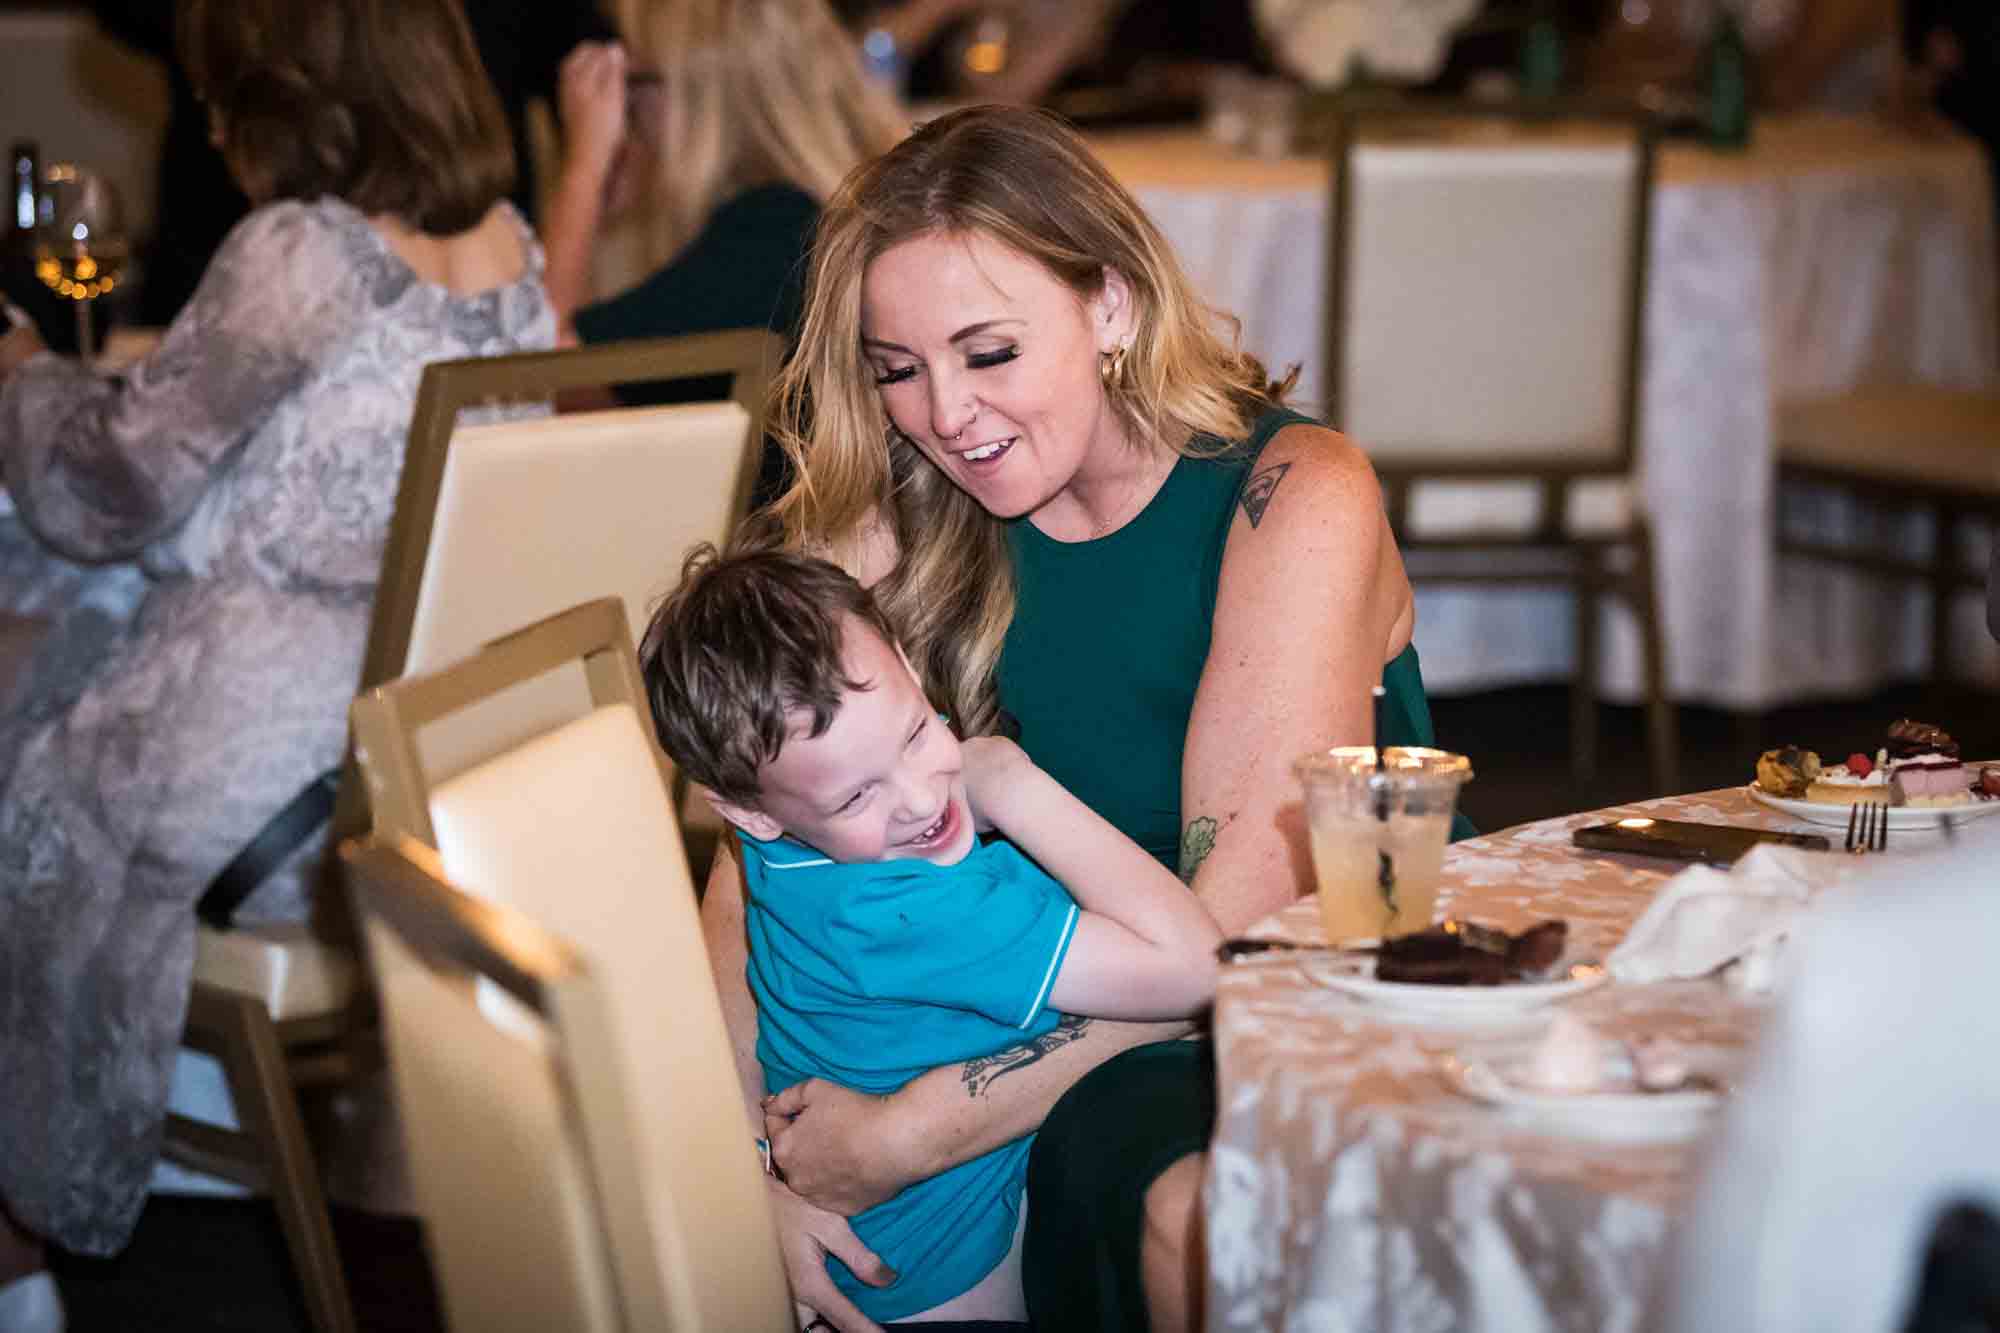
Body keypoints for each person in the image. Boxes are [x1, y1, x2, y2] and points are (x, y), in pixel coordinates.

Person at [696, 104, 1455, 1332]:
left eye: (987, 352)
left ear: (1108, 305)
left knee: (1185, 1206)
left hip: (1276, 1008)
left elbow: (1236, 949)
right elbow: (745, 884)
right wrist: (750, 1170)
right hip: (1028, 1005)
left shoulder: (1287, 496)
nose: (944, 413)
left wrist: (911, 1131)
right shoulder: (898, 506)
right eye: (898, 369)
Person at [0, 0, 553, 1312]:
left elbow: (110, 484)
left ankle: (20, 1230)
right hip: (410, 759)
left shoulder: (301, 250)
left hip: (266, 797)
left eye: (221, 85)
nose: (206, 114)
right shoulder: (507, 245)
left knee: (27, 681)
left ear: (284, 83)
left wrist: (15, 362)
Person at [638, 542, 1221, 1324]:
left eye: (915, 733)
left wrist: (879, 785)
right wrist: (1006, 778)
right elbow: (1199, 967)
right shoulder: (903, 910)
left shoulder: (790, 833)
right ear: (748, 812)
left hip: (895, 1245)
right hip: (955, 1289)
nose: (919, 800)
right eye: (857, 796)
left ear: (909, 667)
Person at [90, 0, 616, 328]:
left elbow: (136, 471)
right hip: (224, 229)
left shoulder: (289, 250)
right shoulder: (510, 245)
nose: (216, 127)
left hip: (327, 210)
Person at [542, 0, 906, 356]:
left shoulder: (762, 235)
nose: (628, 108)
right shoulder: (809, 219)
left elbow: (545, 376)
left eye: (634, 81)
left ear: (692, 97)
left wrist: (584, 167)